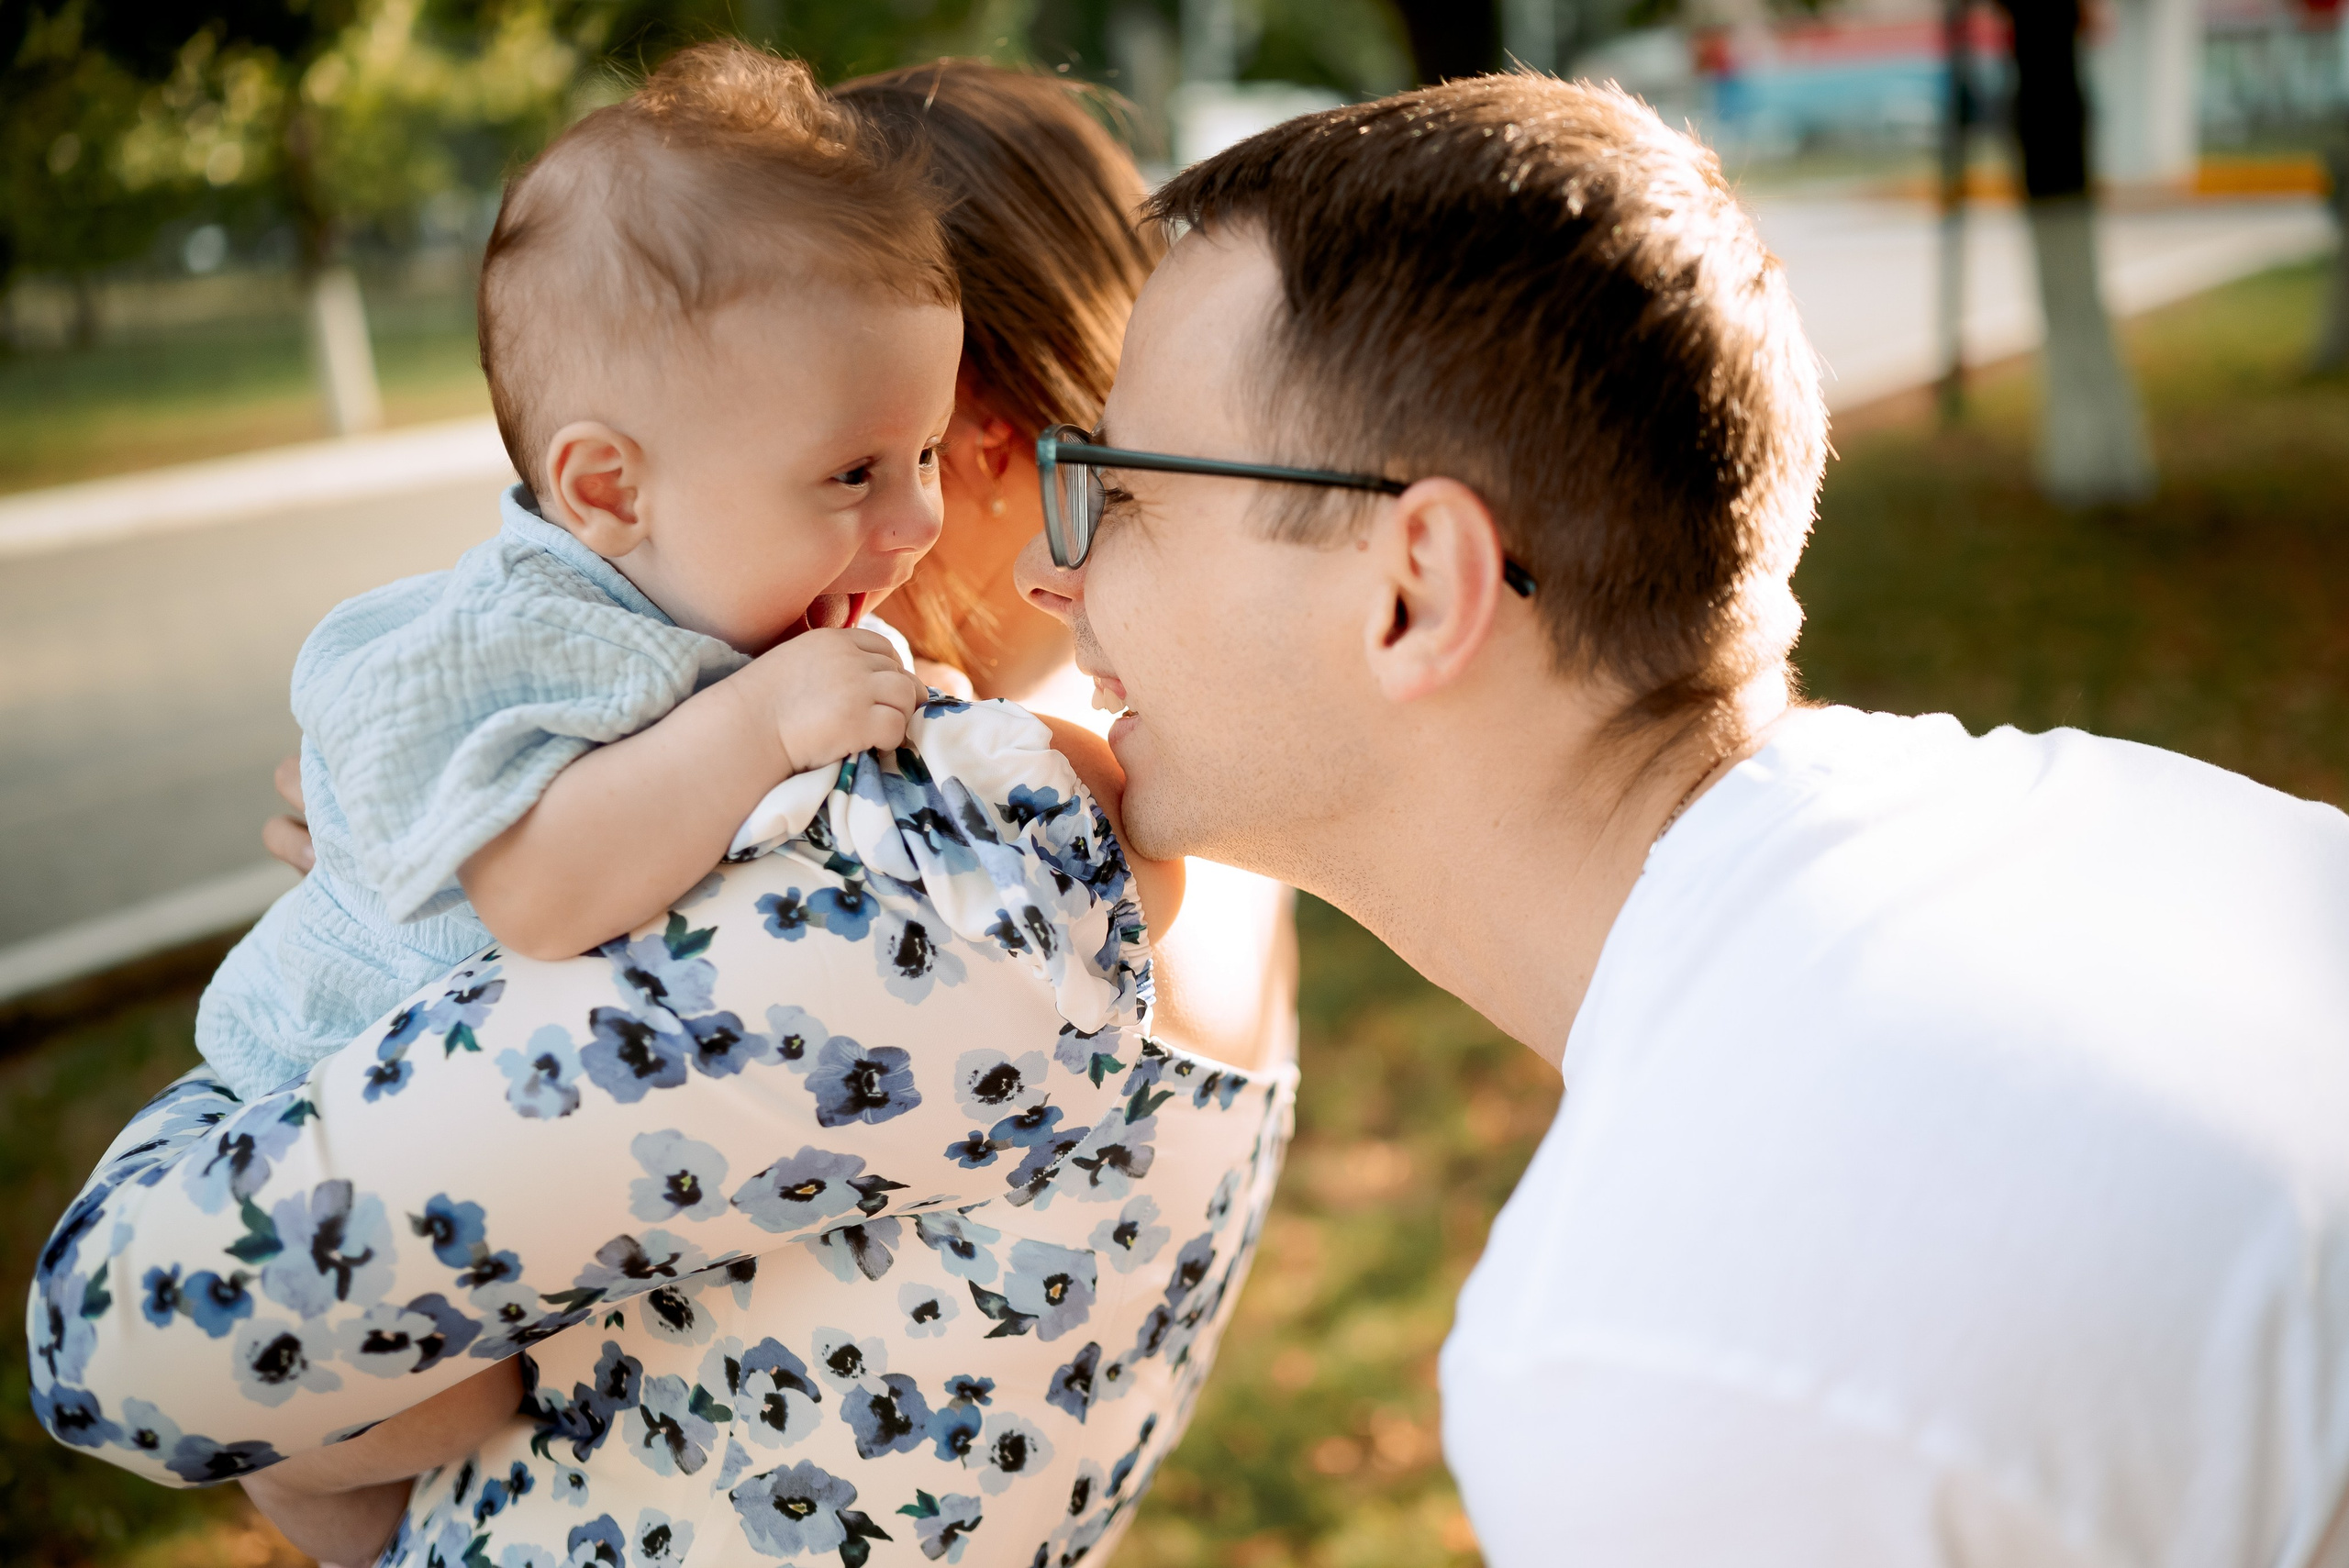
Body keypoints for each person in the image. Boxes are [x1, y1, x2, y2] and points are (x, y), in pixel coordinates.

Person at [1011, 75, 2349, 1565]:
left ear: (1417, 588)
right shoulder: (2169, 831)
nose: (1047, 577)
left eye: (1123, 489)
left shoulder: (1662, 1347)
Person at [31, 55, 1297, 1568]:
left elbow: (118, 1341)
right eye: (847, 467)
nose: (892, 526)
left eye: (900, 450)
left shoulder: (962, 865)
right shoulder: (1188, 804)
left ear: (986, 428)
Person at [195, 43, 967, 1103]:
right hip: (298, 1098)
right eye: (852, 473)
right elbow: (538, 890)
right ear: (608, 491)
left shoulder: (723, 598)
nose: (921, 516)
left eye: (927, 451)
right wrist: (765, 720)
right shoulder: (530, 633)